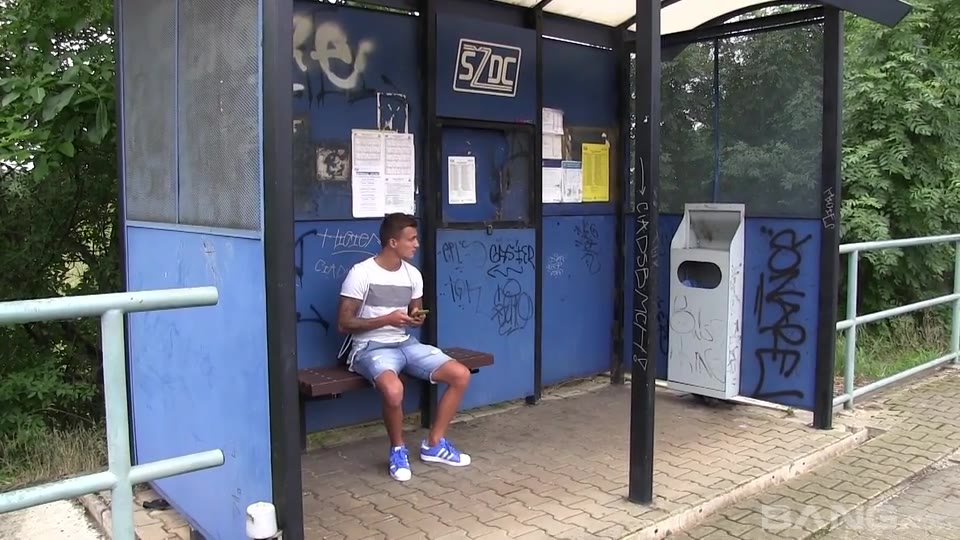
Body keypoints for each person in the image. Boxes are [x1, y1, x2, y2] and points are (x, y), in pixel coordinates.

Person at [336, 213, 473, 482]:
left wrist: (415, 318)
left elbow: (414, 313)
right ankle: (398, 450)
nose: (416, 244)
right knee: (394, 390)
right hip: (370, 347)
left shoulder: (413, 275)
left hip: (404, 343)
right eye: (411, 239)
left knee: (461, 375)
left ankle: (434, 444)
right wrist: (386, 319)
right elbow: (343, 323)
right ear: (393, 242)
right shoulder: (361, 273)